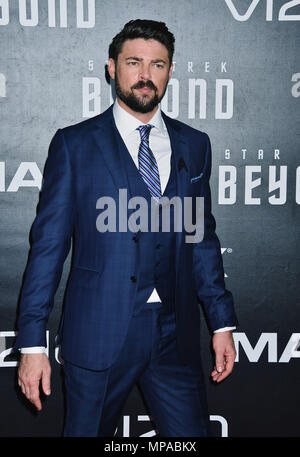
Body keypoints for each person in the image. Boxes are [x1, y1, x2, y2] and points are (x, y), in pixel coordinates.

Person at [14, 19, 238, 437]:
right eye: (134, 62)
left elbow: (201, 239)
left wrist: (221, 323)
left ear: (170, 72)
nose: (145, 75)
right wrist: (31, 343)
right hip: (98, 332)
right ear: (112, 68)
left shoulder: (195, 143)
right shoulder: (74, 144)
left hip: (174, 335)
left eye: (157, 64)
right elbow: (47, 248)